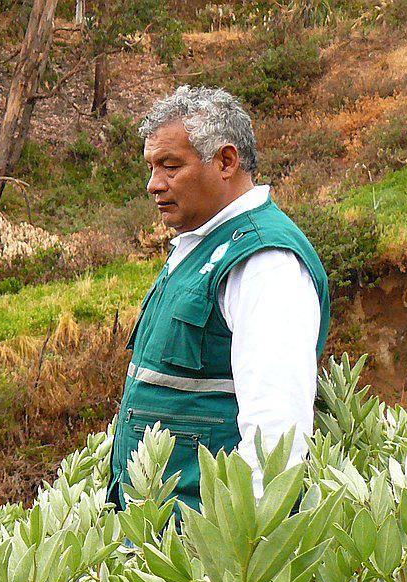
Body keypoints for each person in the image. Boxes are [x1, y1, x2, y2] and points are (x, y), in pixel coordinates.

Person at [107, 86, 331, 510]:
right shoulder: (200, 245)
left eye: (170, 167)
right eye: (151, 168)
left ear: (226, 161)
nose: (153, 185)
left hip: (201, 550)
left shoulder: (266, 262)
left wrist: (235, 553)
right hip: (159, 540)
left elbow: (277, 433)